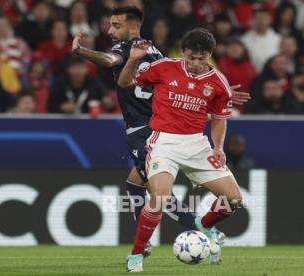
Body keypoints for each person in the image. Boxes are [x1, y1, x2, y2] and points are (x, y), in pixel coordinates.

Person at [72, 5, 250, 259]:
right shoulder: (156, 51)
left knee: (159, 195)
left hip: (149, 128)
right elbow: (178, 80)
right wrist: (208, 88)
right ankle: (151, 242)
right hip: (156, 124)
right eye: (110, 24)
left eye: (116, 25)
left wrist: (81, 52)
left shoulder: (127, 48)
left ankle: (201, 228)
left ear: (133, 27)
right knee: (135, 183)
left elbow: (110, 61)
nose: (110, 30)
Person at [118, 28, 243, 272]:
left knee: (233, 200)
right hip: (164, 142)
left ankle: (204, 225)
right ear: (183, 53)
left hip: (197, 144)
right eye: (191, 58)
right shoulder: (164, 68)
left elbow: (218, 118)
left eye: (202, 58)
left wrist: (218, 147)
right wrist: (133, 59)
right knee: (161, 198)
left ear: (210, 55)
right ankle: (136, 254)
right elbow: (124, 82)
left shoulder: (218, 82)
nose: (197, 64)